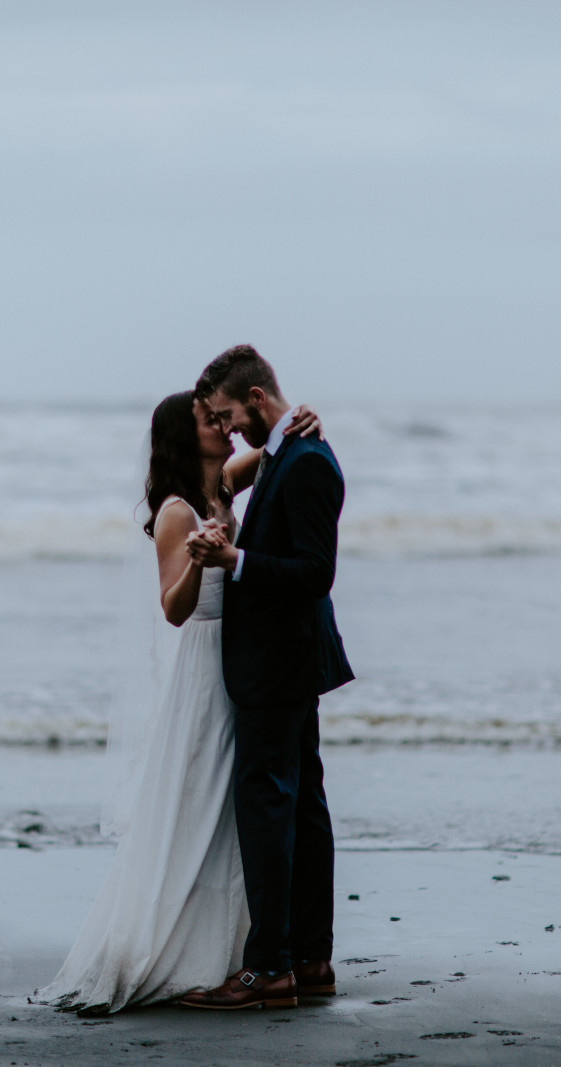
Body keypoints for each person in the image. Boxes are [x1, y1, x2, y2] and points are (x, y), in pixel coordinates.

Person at [31, 387, 323, 1013]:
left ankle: (241, 948)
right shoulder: (176, 512)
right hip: (206, 665)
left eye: (222, 416)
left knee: (230, 811)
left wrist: (299, 420)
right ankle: (183, 945)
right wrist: (198, 559)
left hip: (238, 659)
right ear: (181, 437)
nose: (222, 425)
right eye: (208, 420)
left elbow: (269, 452)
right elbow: (172, 609)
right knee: (199, 801)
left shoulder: (222, 485)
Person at [178, 345, 353, 1011]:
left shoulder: (306, 459)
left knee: (271, 805)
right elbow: (235, 472)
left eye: (227, 415)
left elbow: (314, 573)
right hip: (284, 656)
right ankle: (309, 960)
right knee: (301, 802)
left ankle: (269, 967)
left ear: (255, 399)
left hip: (279, 657)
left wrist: (236, 558)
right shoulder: (287, 447)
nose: (226, 430)